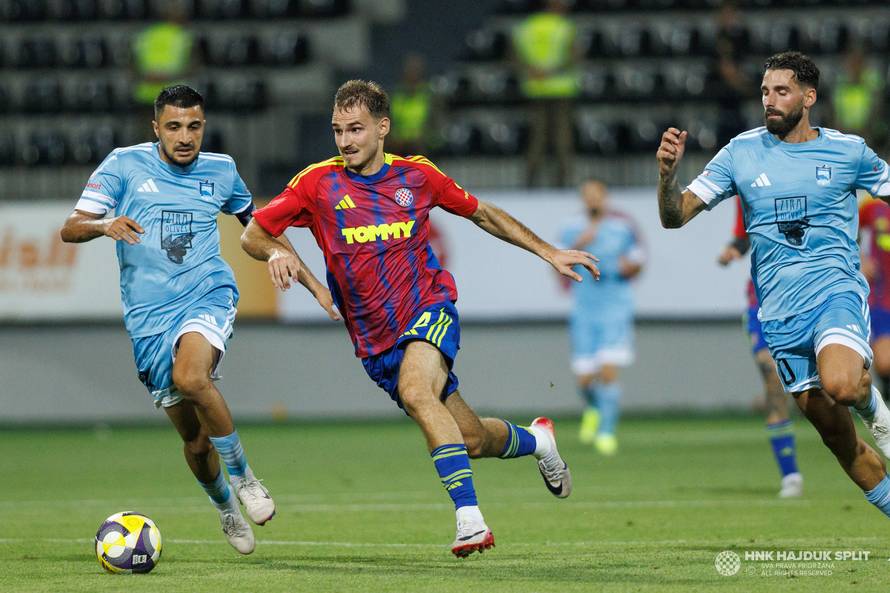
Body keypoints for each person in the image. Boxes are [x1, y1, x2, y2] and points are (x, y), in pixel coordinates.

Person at [241, 80, 599, 557]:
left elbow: (484, 214)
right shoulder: (316, 183)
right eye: (337, 131)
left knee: (416, 390)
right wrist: (279, 260)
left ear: (383, 128)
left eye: (356, 129)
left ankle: (470, 521)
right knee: (470, 438)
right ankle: (539, 442)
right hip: (373, 339)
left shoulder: (417, 176)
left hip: (428, 307)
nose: (345, 141)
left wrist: (548, 251)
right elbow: (254, 232)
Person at [59, 85, 333, 555]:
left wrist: (315, 285)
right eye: (174, 126)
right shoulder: (124, 165)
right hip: (148, 318)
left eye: (194, 126)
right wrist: (106, 224)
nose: (185, 137)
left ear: (203, 125)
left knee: (192, 375)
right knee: (195, 441)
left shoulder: (221, 171)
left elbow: (264, 230)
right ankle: (226, 507)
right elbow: (70, 227)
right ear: (156, 128)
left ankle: (245, 478)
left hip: (206, 294)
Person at [656, 51, 890, 518]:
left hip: (835, 293)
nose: (770, 100)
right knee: (840, 443)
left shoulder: (848, 152)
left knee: (842, 386)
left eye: (781, 91)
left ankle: (877, 413)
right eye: (765, 91)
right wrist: (667, 178)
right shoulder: (740, 153)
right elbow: (674, 216)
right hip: (781, 317)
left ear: (809, 97)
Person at [717, 197, 803, 497]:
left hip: (809, 298)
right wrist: (733, 250)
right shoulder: (748, 187)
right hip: (763, 301)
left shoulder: (811, 177)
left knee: (829, 392)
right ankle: (790, 475)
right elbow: (743, 237)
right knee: (772, 378)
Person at [559, 180, 644, 455]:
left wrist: (628, 266)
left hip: (614, 307)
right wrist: (577, 245)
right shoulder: (571, 229)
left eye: (598, 195)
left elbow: (637, 263)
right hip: (584, 308)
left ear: (605, 198)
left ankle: (606, 432)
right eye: (588, 196)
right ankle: (593, 408)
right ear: (583, 200)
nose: (593, 200)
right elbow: (556, 267)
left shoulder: (622, 229)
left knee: (607, 371)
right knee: (584, 379)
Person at [511, 0, 580, 187]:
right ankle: (563, 185)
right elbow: (575, 56)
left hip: (535, 89)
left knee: (536, 140)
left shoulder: (527, 26)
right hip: (561, 90)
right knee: (562, 139)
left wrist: (533, 71)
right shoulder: (565, 26)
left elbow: (513, 57)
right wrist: (551, 72)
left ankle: (530, 184)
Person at [859, 195, 890, 403]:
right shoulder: (872, 204)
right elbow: (847, 228)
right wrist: (860, 259)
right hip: (882, 295)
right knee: (885, 363)